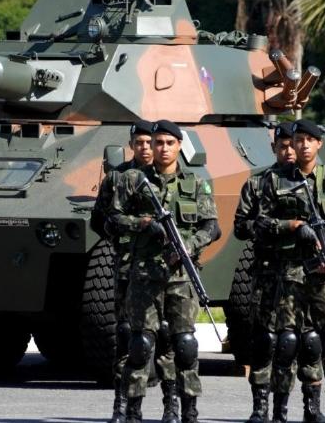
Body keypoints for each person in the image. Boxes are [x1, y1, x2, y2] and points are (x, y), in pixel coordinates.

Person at [109, 120, 221, 423]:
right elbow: (113, 219)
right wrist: (144, 224)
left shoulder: (196, 184)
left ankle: (182, 409)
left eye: (169, 143)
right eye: (157, 142)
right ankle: (132, 412)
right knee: (140, 344)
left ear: (179, 146)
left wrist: (186, 245)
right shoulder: (131, 180)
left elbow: (212, 227)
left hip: (181, 277)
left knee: (183, 345)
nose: (162, 148)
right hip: (144, 274)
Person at [254, 119, 325, 423]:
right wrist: (292, 227)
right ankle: (280, 412)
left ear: (318, 144)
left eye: (307, 140)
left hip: (324, 274)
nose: (301, 145)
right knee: (286, 344)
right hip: (289, 274)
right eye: (297, 140)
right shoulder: (275, 181)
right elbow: (260, 223)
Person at [234, 121, 325, 423]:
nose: (289, 150)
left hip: (310, 274)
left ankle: (312, 408)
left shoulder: (318, 183)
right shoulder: (258, 183)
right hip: (268, 274)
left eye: (294, 144)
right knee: (266, 342)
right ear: (274, 147)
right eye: (283, 145)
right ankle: (262, 408)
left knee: (308, 340)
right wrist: (271, 228)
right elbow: (240, 227)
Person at [91, 120, 180, 423]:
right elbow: (100, 219)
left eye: (149, 142)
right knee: (128, 335)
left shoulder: (167, 179)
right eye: (139, 142)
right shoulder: (118, 179)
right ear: (131, 145)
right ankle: (121, 405)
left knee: (167, 334)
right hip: (127, 267)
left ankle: (171, 406)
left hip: (162, 269)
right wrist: (125, 235)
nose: (145, 148)